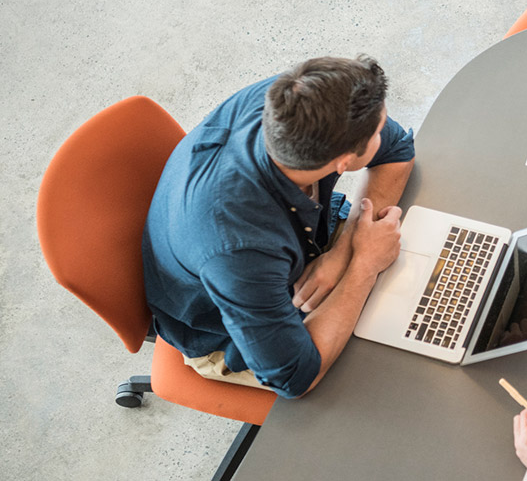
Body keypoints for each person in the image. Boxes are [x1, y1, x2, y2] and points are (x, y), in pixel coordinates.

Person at [142, 56, 415, 398]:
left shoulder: (297, 103)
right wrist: (363, 266)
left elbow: (398, 151)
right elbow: (295, 376)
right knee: (391, 380)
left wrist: (344, 250)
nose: (385, 132)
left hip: (304, 247)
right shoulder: (238, 252)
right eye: (378, 131)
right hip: (231, 331)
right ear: (344, 162)